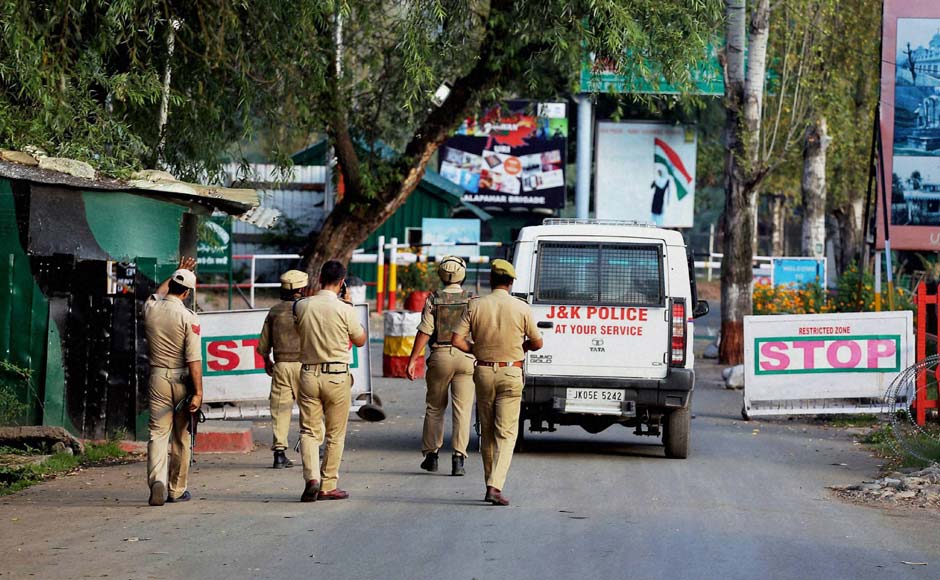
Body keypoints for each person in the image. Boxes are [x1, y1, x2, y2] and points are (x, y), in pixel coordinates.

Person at [452, 259, 543, 506]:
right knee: (506, 433)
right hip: (511, 372)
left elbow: (456, 339)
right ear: (511, 283)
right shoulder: (521, 307)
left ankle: (489, 483)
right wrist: (520, 347)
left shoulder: (476, 305)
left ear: (491, 281)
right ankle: (495, 486)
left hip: (482, 372)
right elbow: (537, 343)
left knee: (488, 431)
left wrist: (476, 349)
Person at [293, 260, 366, 502]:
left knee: (309, 431)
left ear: (320, 278)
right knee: (335, 433)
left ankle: (311, 478)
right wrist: (349, 306)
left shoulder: (301, 306)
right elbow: (360, 340)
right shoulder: (345, 309)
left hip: (308, 375)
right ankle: (327, 485)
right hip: (336, 376)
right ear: (342, 282)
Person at [406, 256, 475, 476]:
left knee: (435, 408)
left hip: (440, 357)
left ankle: (432, 456)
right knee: (462, 411)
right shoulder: (472, 300)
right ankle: (458, 459)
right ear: (462, 274)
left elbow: (425, 331)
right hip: (466, 358)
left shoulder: (433, 299)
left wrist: (413, 359)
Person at [143, 257, 203, 506]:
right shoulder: (189, 318)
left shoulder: (151, 307)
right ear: (187, 293)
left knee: (158, 433)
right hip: (181, 380)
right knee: (181, 435)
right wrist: (198, 392)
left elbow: (159, 293)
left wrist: (179, 271)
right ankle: (176, 489)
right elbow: (194, 360)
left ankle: (156, 479)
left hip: (157, 376)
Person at [257, 270, 308, 469]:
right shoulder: (307, 309)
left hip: (280, 366)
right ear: (301, 289)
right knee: (310, 407)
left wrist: (266, 361)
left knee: (280, 409)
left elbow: (263, 345)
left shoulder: (274, 311)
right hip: (304, 366)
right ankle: (312, 446)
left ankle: (279, 453)